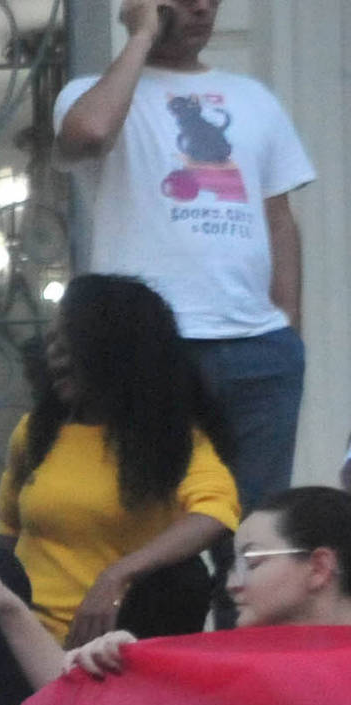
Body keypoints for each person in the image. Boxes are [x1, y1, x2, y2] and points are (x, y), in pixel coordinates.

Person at [55, 0, 315, 588]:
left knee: (258, 545)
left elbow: (279, 218)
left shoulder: (254, 99)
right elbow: (89, 135)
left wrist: (287, 328)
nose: (201, 8)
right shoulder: (91, 93)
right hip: (152, 349)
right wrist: (141, 36)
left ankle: (246, 668)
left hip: (256, 349)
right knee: (143, 530)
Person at [0, 273, 239, 650]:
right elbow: (7, 533)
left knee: (183, 579)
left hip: (115, 642)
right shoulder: (34, 432)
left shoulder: (173, 440)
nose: (53, 353)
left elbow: (216, 514)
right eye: (51, 340)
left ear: (115, 348)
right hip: (28, 644)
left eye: (68, 339)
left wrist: (118, 576)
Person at [0, 485, 351, 689]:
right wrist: (9, 608)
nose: (234, 584)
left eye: (251, 562)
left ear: (319, 567)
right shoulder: (228, 673)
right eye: (232, 564)